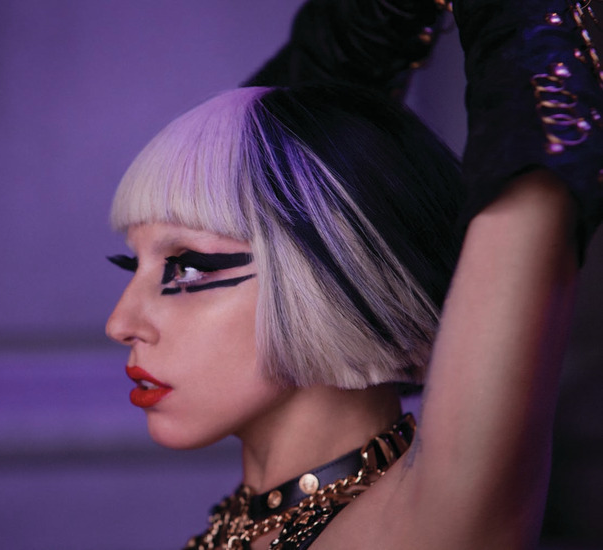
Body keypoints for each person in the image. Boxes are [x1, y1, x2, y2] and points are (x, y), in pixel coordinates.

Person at [105, 0, 603, 548]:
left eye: (187, 268)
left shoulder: (427, 523)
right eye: (133, 264)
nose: (120, 323)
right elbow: (298, 141)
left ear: (332, 271)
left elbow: (533, 143)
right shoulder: (246, 525)